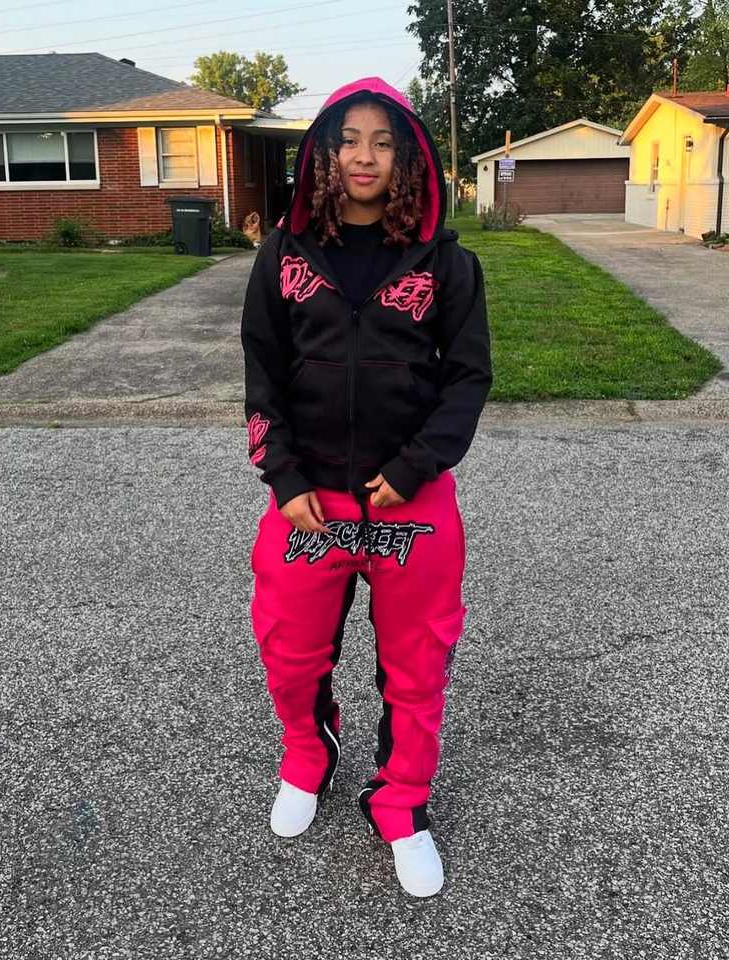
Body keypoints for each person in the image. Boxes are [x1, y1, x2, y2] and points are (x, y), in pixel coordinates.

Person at [240, 76, 492, 898]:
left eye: (384, 142)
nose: (364, 157)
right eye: (348, 139)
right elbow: (262, 373)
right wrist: (282, 476)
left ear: (409, 159)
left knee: (418, 665)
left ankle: (402, 801)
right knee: (289, 651)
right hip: (309, 503)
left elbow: (468, 379)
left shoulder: (447, 265)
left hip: (410, 505)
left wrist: (416, 467)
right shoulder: (282, 257)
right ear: (321, 152)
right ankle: (308, 758)